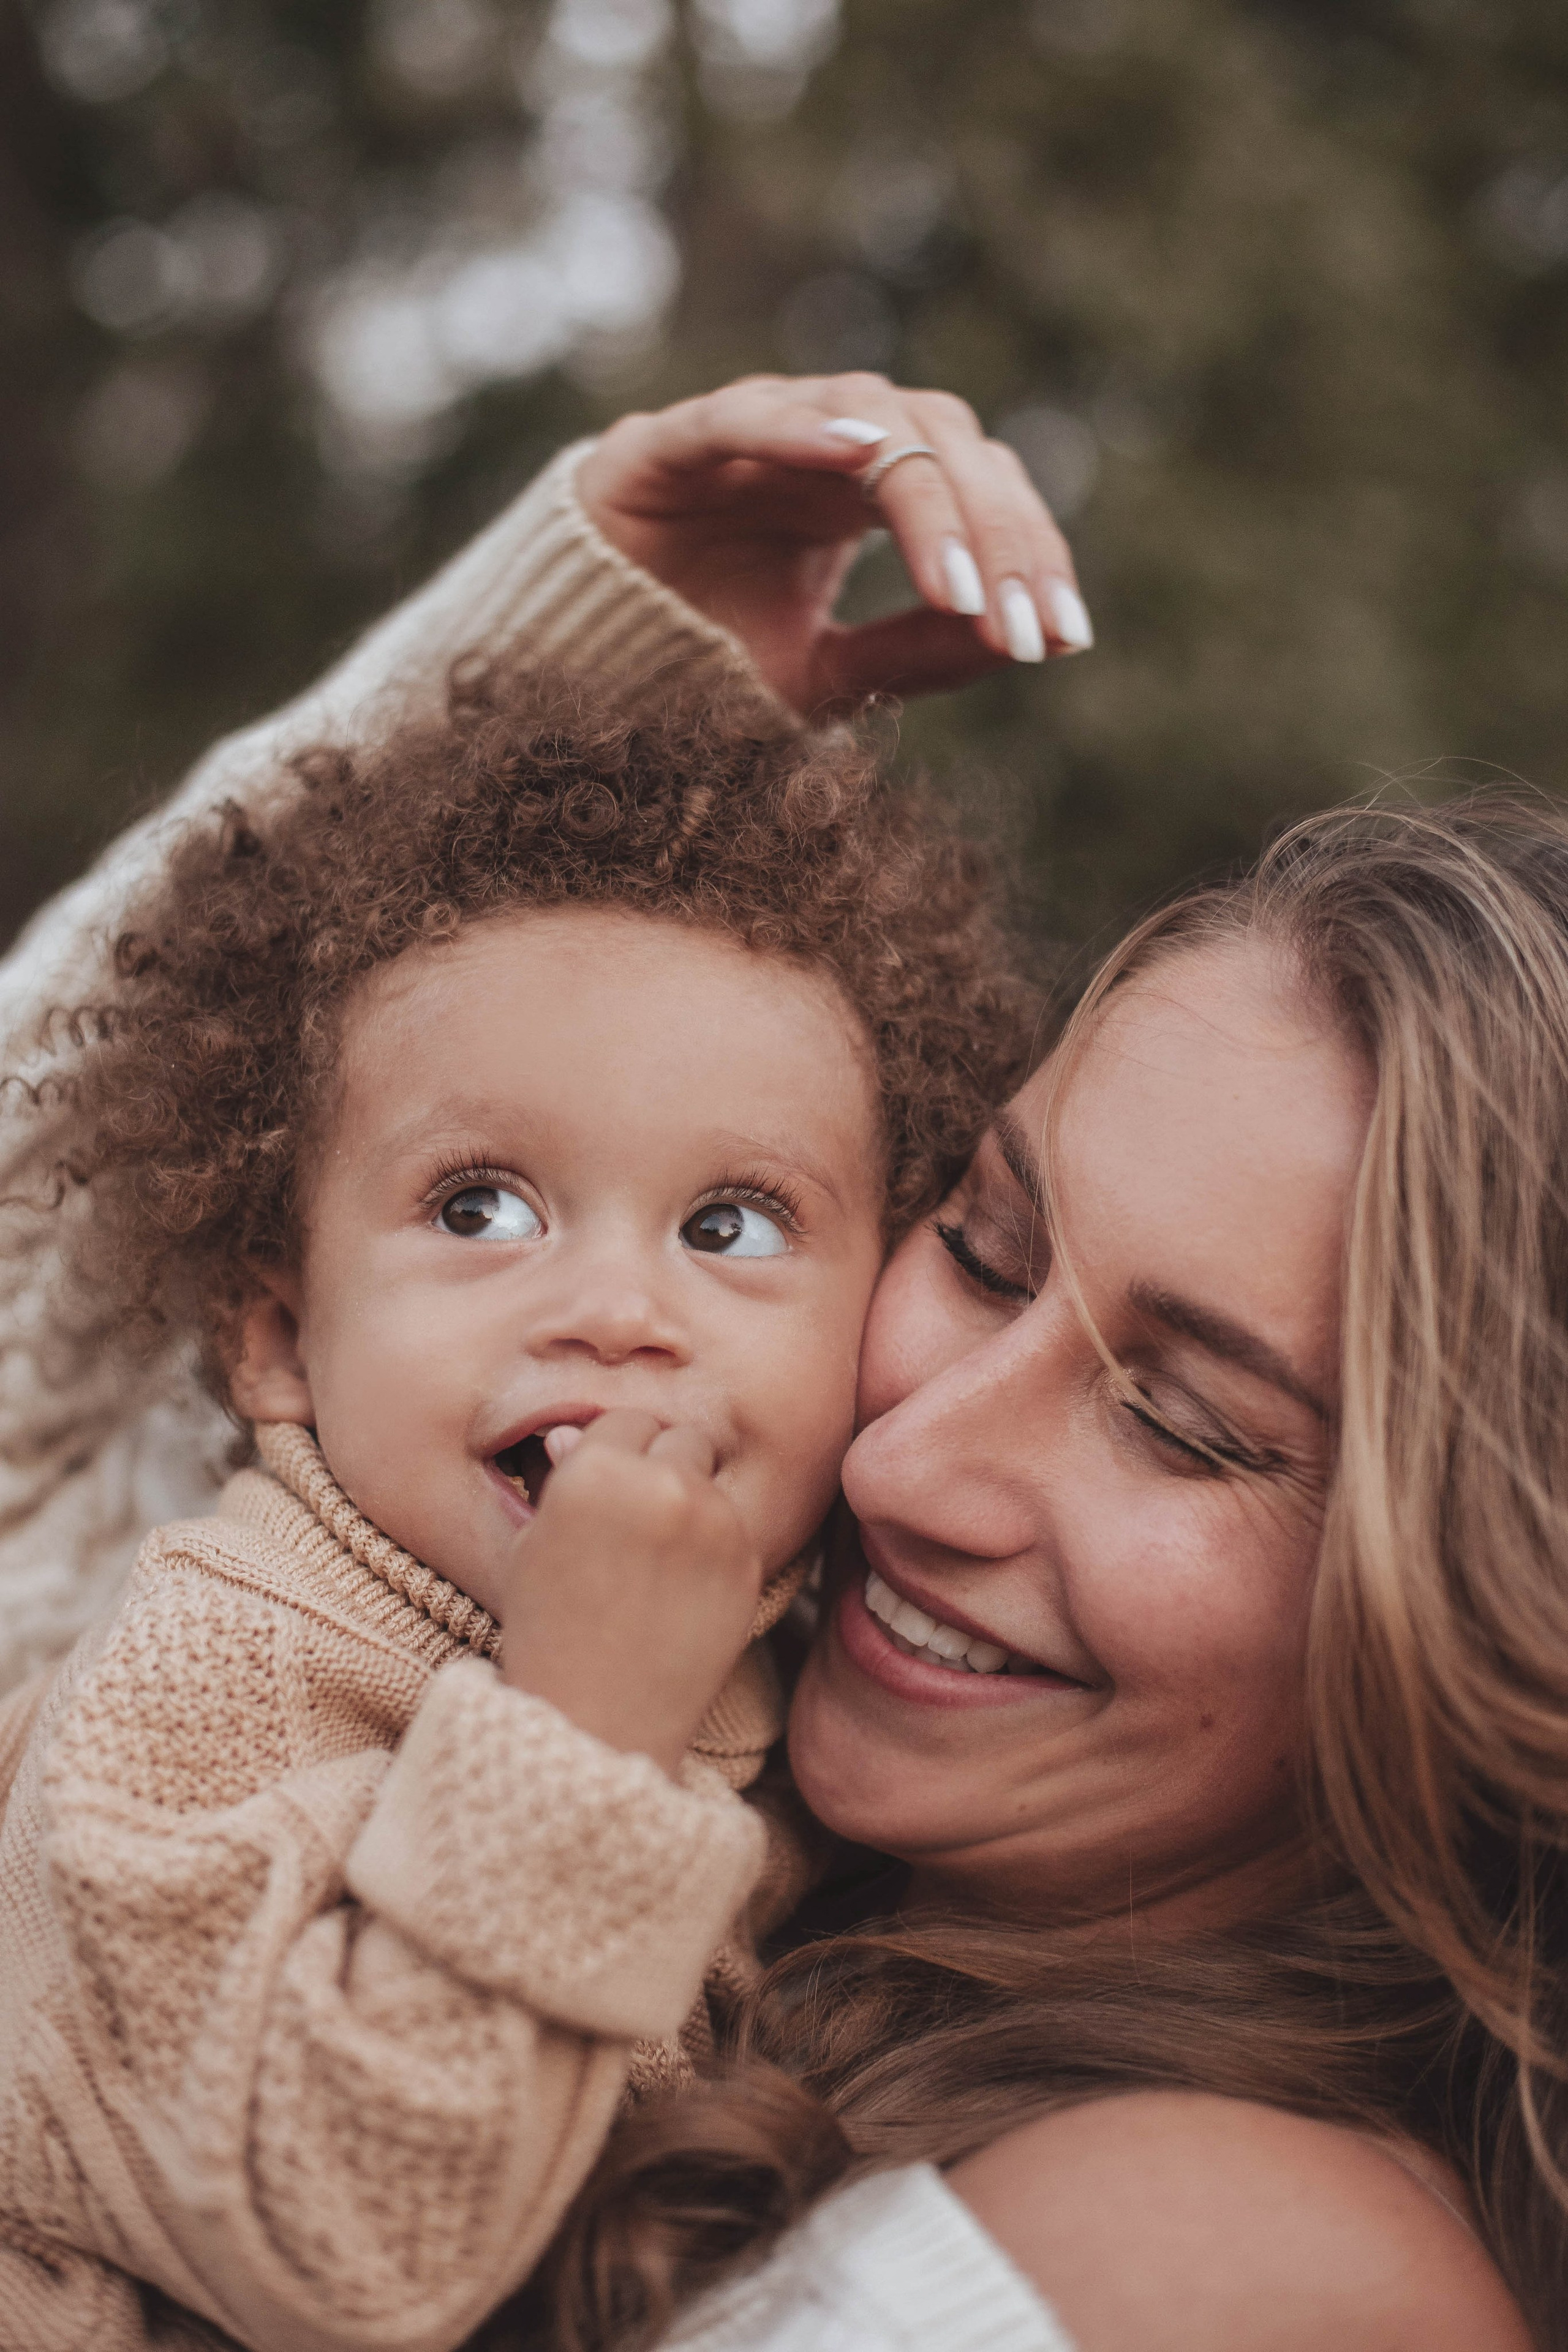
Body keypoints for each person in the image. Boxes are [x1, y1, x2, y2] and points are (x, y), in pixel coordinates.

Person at [0, 377, 1550, 2348]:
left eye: (1183, 1421)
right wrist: (558, 773)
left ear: (1489, 1613)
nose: (905, 1467)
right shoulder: (639, 1679)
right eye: (983, 1253)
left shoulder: (1238, 2259)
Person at [0, 673, 1032, 2346]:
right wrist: (578, 1732)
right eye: (482, 1205)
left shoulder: (804, 1672)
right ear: (278, 1342)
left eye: (733, 1226)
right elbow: (342, 2247)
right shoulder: (204, 1686)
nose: (619, 1308)